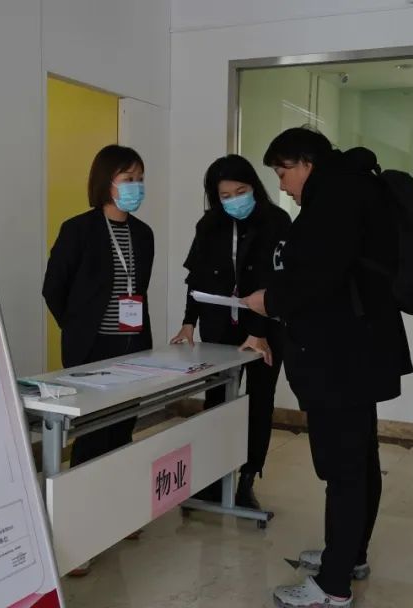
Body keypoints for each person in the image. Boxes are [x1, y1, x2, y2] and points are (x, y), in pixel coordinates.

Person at [243, 127, 412, 608]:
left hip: (342, 359)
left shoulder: (335, 198)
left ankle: (333, 586)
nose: (282, 186)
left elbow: (317, 277)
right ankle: (349, 554)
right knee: (359, 460)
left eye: (283, 173)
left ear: (305, 163)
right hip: (360, 353)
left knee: (344, 469)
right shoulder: (354, 188)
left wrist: (269, 299)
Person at [41, 144, 153, 574]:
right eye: (128, 179)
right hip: (91, 353)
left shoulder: (143, 234)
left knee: (122, 431)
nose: (136, 186)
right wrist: (78, 328)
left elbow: (139, 290)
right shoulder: (78, 230)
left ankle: (118, 514)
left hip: (132, 350)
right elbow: (54, 287)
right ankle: (78, 536)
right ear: (106, 182)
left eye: (139, 178)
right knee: (89, 438)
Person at [170, 154, 291, 510]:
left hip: (266, 329)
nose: (235, 200)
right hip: (220, 327)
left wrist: (258, 330)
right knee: (217, 401)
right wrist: (188, 322)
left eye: (241, 192)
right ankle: (213, 479)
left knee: (259, 401)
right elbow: (196, 278)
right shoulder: (209, 225)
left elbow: (278, 280)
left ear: (253, 187)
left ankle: (248, 478)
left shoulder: (276, 220)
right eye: (225, 196)